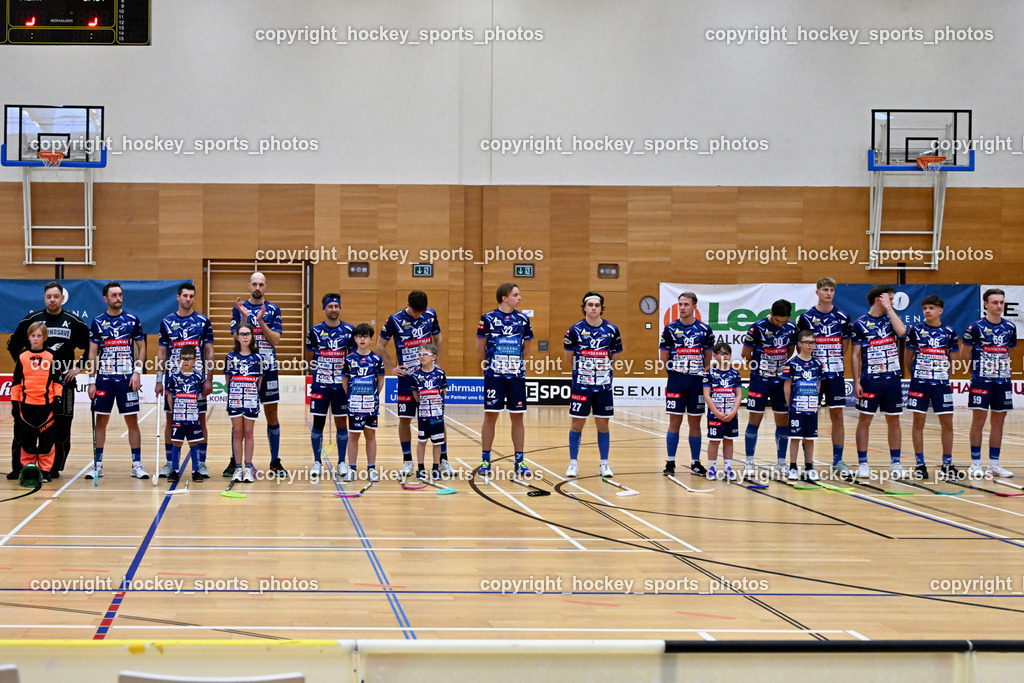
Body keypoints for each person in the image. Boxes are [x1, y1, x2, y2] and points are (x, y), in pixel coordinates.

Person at [6, 281, 89, 480]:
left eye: (56, 296)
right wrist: (26, 366)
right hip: (33, 389)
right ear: (44, 298)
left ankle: (52, 468)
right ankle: (19, 467)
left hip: (63, 385)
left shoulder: (74, 322)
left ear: (62, 298)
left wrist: (78, 367)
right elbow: (12, 344)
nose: (52, 300)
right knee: (23, 426)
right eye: (49, 297)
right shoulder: (32, 319)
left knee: (62, 427)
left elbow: (92, 346)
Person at [377, 290, 445, 476]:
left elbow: (438, 338)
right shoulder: (394, 320)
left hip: (429, 377)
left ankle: (442, 460)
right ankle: (407, 460)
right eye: (415, 312)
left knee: (437, 417)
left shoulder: (430, 314)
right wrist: (391, 368)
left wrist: (437, 363)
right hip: (407, 377)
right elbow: (380, 345)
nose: (418, 315)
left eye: (420, 312)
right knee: (405, 419)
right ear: (407, 304)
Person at [86, 282, 148, 480]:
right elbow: (92, 353)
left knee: (132, 421)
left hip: (126, 379)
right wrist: (91, 381)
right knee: (101, 420)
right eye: (114, 295)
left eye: (120, 294)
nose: (118, 298)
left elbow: (142, 347)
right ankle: (97, 465)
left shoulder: (132, 320)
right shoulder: (97, 322)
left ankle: (137, 465)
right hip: (104, 379)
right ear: (105, 299)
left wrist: (137, 371)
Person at [226, 272, 285, 477]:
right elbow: (235, 337)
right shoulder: (238, 308)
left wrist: (260, 322)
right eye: (254, 284)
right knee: (238, 418)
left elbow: (275, 340)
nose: (257, 287)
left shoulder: (274, 310)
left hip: (268, 369)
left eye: (261, 284)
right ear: (249, 286)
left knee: (272, 416)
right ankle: (235, 462)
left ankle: (275, 461)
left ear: (265, 287)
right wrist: (244, 318)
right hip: (244, 371)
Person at [155, 282, 215, 479]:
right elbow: (162, 353)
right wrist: (159, 379)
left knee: (200, 420)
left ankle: (201, 463)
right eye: (185, 296)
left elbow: (209, 352)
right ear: (178, 297)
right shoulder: (166, 322)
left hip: (197, 382)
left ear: (194, 298)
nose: (188, 299)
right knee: (171, 420)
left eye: (191, 296)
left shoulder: (203, 322)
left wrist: (209, 379)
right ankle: (169, 463)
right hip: (174, 381)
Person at [796, 277, 853, 477]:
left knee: (837, 415)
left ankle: (838, 460)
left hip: (835, 374)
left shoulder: (842, 317)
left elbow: (844, 346)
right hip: (812, 376)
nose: (829, 293)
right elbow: (801, 347)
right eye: (825, 290)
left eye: (831, 290)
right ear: (817, 292)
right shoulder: (806, 318)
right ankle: (808, 463)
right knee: (809, 414)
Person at [563, 292, 623, 478]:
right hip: (581, 386)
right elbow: (568, 358)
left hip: (603, 386)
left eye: (597, 305)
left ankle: (604, 464)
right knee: (577, 424)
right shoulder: (574, 330)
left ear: (601, 308)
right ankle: (573, 463)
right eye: (590, 305)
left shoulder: (612, 330)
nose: (594, 308)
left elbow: (616, 355)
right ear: (584, 307)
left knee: (603, 424)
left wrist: (601, 369)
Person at [477, 283, 534, 477]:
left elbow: (527, 347)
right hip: (494, 377)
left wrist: (513, 363)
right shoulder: (487, 318)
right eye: (515, 295)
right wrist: (493, 364)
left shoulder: (523, 319)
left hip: (516, 376)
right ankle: (486, 461)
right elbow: (480, 348)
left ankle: (520, 462)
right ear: (504, 297)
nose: (519, 298)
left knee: (517, 417)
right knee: (490, 416)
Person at [851, 284, 907, 479]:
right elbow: (855, 355)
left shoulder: (891, 318)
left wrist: (889, 309)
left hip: (892, 379)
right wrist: (856, 381)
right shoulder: (860, 324)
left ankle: (896, 463)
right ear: (879, 299)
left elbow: (902, 332)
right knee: (865, 420)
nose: (892, 303)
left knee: (894, 420)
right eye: (889, 299)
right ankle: (863, 463)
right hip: (870, 380)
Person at [961, 288, 1017, 478]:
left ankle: (994, 464)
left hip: (1002, 381)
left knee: (998, 422)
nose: (999, 306)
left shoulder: (1010, 327)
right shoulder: (975, 328)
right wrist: (977, 373)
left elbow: (1009, 352)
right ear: (986, 304)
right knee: (979, 421)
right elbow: (965, 355)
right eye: (995, 302)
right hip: (981, 382)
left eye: (1001, 302)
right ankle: (975, 464)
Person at [659, 291, 715, 476]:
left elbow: (707, 358)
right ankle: (670, 462)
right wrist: (677, 370)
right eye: (680, 304)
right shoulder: (670, 329)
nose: (682, 308)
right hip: (676, 380)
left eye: (686, 304)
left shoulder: (705, 330)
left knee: (695, 423)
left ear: (694, 307)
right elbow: (663, 357)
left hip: (696, 380)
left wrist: (694, 370)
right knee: (674, 421)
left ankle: (695, 463)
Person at [904, 295, 959, 480]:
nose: (927, 311)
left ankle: (947, 464)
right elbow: (907, 358)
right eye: (925, 308)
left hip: (942, 384)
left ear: (940, 311)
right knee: (918, 422)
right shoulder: (915, 330)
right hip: (920, 382)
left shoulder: (949, 332)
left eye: (931, 308)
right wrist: (917, 376)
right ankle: (920, 464)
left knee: (947, 424)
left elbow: (954, 359)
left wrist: (943, 375)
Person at [742, 299, 798, 477]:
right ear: (771, 313)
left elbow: (790, 350)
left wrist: (779, 366)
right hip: (760, 381)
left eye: (784, 321)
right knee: (754, 420)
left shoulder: (791, 328)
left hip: (781, 381)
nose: (780, 324)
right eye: (777, 320)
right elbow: (745, 354)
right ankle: (749, 462)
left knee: (782, 421)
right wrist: (759, 369)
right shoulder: (757, 328)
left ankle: (781, 463)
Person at [306, 293, 356, 478]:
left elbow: (352, 358)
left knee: (341, 423)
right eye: (330, 306)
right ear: (324, 309)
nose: (334, 309)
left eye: (336, 306)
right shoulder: (315, 331)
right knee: (318, 423)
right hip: (321, 385)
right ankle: (317, 462)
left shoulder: (349, 331)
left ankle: (342, 462)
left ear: (340, 308)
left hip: (341, 386)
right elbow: (309, 358)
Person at [10, 322, 63, 486]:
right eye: (33, 336)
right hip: (26, 406)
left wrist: (58, 398)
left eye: (39, 336)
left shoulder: (52, 356)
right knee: (27, 441)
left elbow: (57, 381)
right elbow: (16, 382)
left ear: (44, 338)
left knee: (47, 440)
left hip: (46, 407)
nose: (35, 338)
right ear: (28, 337)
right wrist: (14, 403)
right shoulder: (22, 356)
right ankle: (29, 470)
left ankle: (45, 471)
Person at [341, 324, 385, 482]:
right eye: (359, 336)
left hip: (370, 405)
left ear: (371, 339)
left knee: (370, 435)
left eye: (365, 336)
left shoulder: (377, 360)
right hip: (354, 405)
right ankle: (352, 468)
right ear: (355, 338)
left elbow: (381, 381)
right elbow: (344, 380)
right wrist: (351, 396)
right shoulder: (349, 359)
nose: (362, 339)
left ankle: (371, 469)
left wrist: (373, 397)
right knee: (353, 435)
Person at [225, 323, 264, 484]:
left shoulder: (258, 358)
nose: (245, 336)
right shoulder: (230, 357)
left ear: (252, 336)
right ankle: (238, 468)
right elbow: (228, 380)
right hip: (235, 399)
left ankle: (248, 468)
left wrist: (251, 394)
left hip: (251, 399)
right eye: (242, 334)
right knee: (237, 433)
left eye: (248, 333)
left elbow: (259, 381)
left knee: (248, 433)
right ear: (237, 337)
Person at [783, 330, 824, 481]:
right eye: (807, 342)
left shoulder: (818, 364)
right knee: (795, 438)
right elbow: (787, 386)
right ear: (799, 344)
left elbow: (818, 384)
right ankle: (793, 467)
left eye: (812, 342)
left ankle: (809, 467)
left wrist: (814, 401)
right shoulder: (791, 364)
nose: (810, 345)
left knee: (810, 438)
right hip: (796, 408)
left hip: (811, 407)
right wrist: (791, 405)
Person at [164, 345, 206, 482]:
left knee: (194, 444)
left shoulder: (199, 378)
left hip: (193, 418)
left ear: (195, 360)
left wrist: (196, 412)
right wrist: (174, 412)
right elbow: (170, 396)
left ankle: (196, 470)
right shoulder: (174, 378)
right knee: (177, 443)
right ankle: (175, 470)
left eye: (189, 358)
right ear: (179, 360)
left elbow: (201, 397)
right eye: (183, 358)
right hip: (178, 417)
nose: (186, 361)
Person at [702, 342, 742, 481]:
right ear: (714, 356)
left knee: (729, 440)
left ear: (730, 356)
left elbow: (739, 394)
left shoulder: (735, 373)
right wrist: (717, 413)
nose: (724, 356)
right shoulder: (709, 373)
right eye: (721, 353)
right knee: (714, 441)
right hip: (715, 415)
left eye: (727, 353)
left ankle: (728, 468)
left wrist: (733, 411)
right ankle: (712, 468)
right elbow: (707, 395)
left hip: (731, 414)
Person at [410, 343, 447, 480]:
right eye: (420, 354)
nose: (422, 356)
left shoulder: (440, 374)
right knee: (422, 441)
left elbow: (443, 392)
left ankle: (436, 467)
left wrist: (437, 405)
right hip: (423, 415)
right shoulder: (415, 375)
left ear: (433, 357)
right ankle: (420, 468)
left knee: (437, 442)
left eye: (425, 354)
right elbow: (415, 394)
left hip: (437, 415)